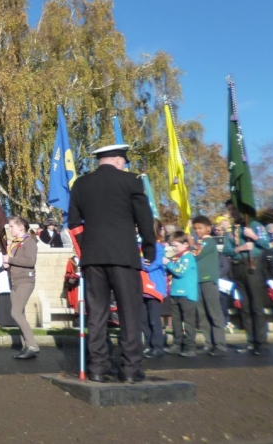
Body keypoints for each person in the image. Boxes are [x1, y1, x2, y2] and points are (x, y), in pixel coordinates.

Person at [67, 144, 155, 384]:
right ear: (118, 160)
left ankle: (97, 366)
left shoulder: (80, 184)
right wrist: (149, 246)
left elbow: (73, 223)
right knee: (129, 313)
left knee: (97, 313)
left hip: (93, 258)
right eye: (124, 161)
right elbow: (144, 217)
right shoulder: (131, 181)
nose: (125, 165)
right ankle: (130, 368)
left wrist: (88, 247)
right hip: (124, 256)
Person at [222, 199, 271, 355]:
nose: (232, 212)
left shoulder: (254, 225)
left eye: (234, 208)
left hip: (253, 267)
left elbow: (267, 244)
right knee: (245, 307)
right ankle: (250, 341)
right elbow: (227, 250)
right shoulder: (231, 230)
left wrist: (254, 237)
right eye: (229, 210)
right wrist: (241, 248)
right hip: (238, 268)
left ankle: (261, 342)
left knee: (256, 306)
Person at [2, 216, 40, 359]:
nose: (10, 229)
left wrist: (10, 259)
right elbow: (14, 263)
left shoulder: (29, 242)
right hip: (16, 281)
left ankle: (32, 346)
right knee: (20, 314)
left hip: (25, 281)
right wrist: (6, 264)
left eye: (11, 226)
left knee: (16, 313)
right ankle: (26, 346)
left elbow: (30, 261)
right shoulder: (15, 244)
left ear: (20, 227)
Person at [192, 215, 227, 356]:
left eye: (200, 228)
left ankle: (219, 344)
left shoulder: (208, 241)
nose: (197, 231)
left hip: (208, 280)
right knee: (202, 313)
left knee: (214, 311)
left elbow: (197, 255)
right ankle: (208, 342)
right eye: (195, 229)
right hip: (198, 280)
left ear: (208, 228)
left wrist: (190, 248)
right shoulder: (199, 242)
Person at [165, 232, 199, 357]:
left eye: (176, 246)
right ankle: (177, 343)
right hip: (175, 293)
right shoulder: (179, 258)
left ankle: (190, 346)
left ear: (185, 244)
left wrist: (167, 263)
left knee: (188, 321)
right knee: (176, 320)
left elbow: (180, 272)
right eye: (172, 246)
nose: (174, 248)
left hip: (187, 294)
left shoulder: (188, 257)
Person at [142, 219, 168, 359]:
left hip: (154, 288)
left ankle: (158, 346)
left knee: (154, 319)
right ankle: (148, 344)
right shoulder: (139, 246)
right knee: (143, 319)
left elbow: (153, 264)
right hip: (142, 288)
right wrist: (142, 262)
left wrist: (143, 264)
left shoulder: (158, 247)